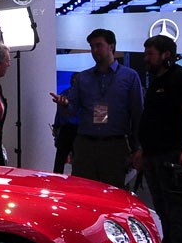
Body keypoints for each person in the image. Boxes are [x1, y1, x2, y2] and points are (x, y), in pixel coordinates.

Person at [132, 35, 182, 243]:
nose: (146, 58)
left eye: (150, 54)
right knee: (164, 210)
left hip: (172, 155)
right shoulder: (156, 81)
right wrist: (143, 149)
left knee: (178, 210)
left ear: (166, 54)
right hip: (154, 155)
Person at [49, 28, 143, 188]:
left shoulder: (129, 76)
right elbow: (72, 110)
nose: (94, 50)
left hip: (115, 145)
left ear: (111, 46)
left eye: (99, 45)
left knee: (113, 193)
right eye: (92, 46)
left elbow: (137, 114)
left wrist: (137, 148)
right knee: (83, 191)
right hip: (85, 145)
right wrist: (65, 104)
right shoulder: (83, 77)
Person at [52, 72, 80, 174]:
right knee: (62, 159)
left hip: (75, 129)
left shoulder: (66, 93)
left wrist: (56, 126)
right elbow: (59, 112)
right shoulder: (65, 94)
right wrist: (56, 126)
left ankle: (58, 178)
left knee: (66, 160)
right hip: (69, 129)